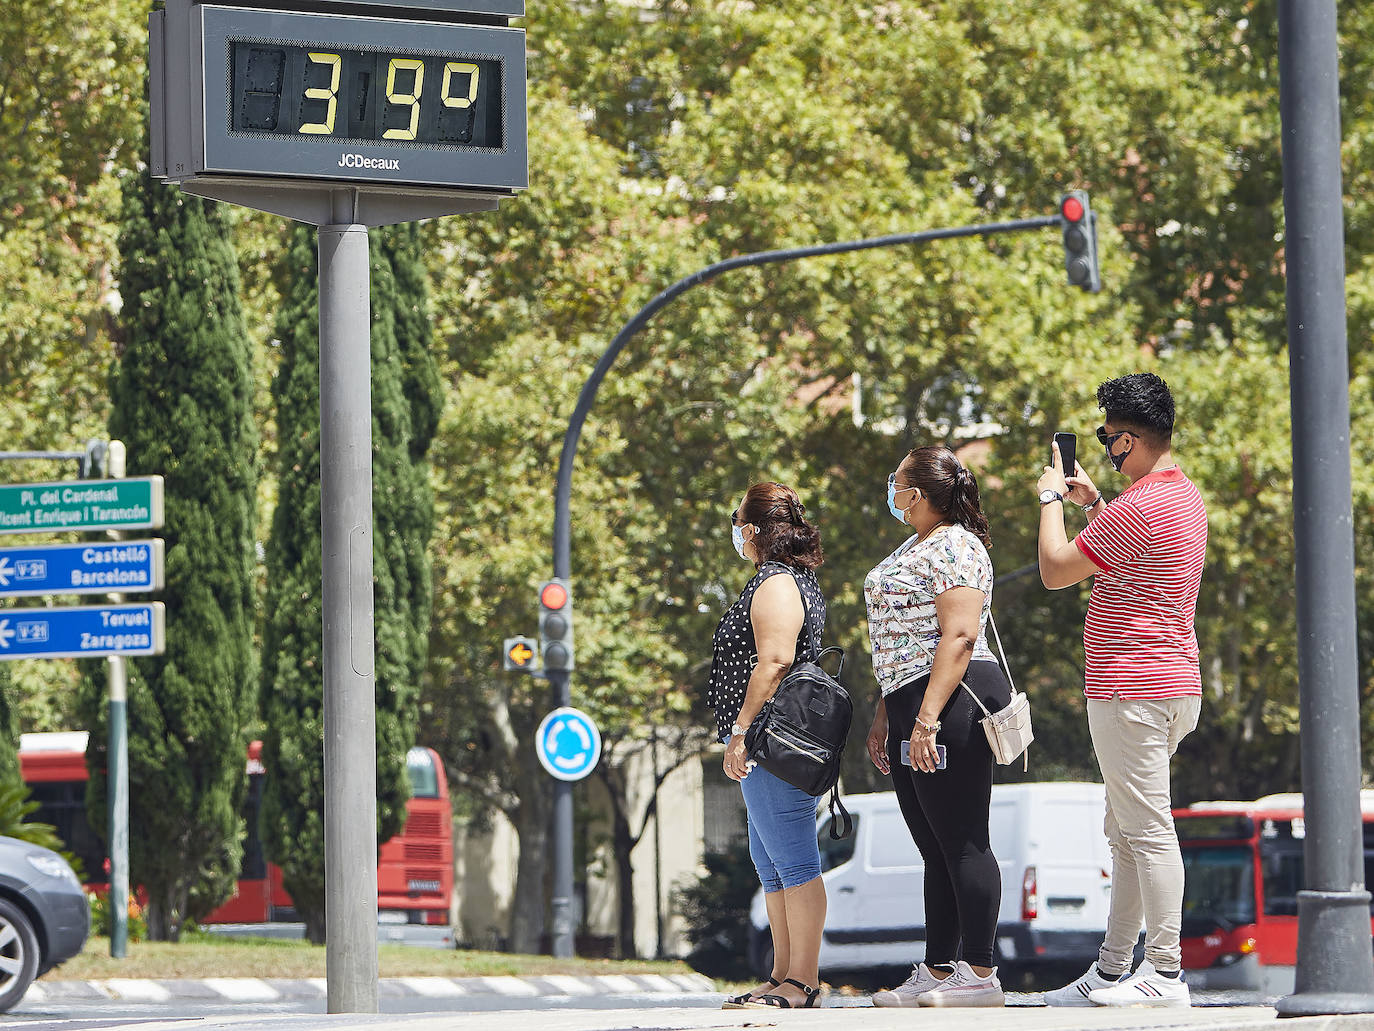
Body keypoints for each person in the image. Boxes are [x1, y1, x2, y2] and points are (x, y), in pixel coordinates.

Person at [1036, 373, 1207, 1008]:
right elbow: (1132, 557)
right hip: (1169, 683)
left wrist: (1052, 497)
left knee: (1147, 829)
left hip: (1130, 689)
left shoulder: (1139, 507)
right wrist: (1092, 503)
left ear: (1129, 439)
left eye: (1108, 437)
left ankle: (1164, 972)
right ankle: (1111, 970)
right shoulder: (1178, 496)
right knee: (1127, 829)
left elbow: (1056, 570)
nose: (1105, 445)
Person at [862, 445, 1010, 1008]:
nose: (891, 492)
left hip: (950, 702)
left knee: (964, 838)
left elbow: (959, 636)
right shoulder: (916, 544)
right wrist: (888, 712)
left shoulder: (957, 546)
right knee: (934, 845)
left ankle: (980, 972)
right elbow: (899, 641)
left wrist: (926, 719)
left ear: (917, 493)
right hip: (909, 700)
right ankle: (940, 966)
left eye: (895, 482)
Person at [707, 481, 828, 1010]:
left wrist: (740, 733)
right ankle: (782, 974)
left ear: (752, 529)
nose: (735, 531)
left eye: (737, 521)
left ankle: (803, 980)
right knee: (771, 861)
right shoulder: (778, 579)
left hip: (774, 739)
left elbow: (775, 660)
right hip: (765, 741)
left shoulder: (778, 584)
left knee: (796, 861)